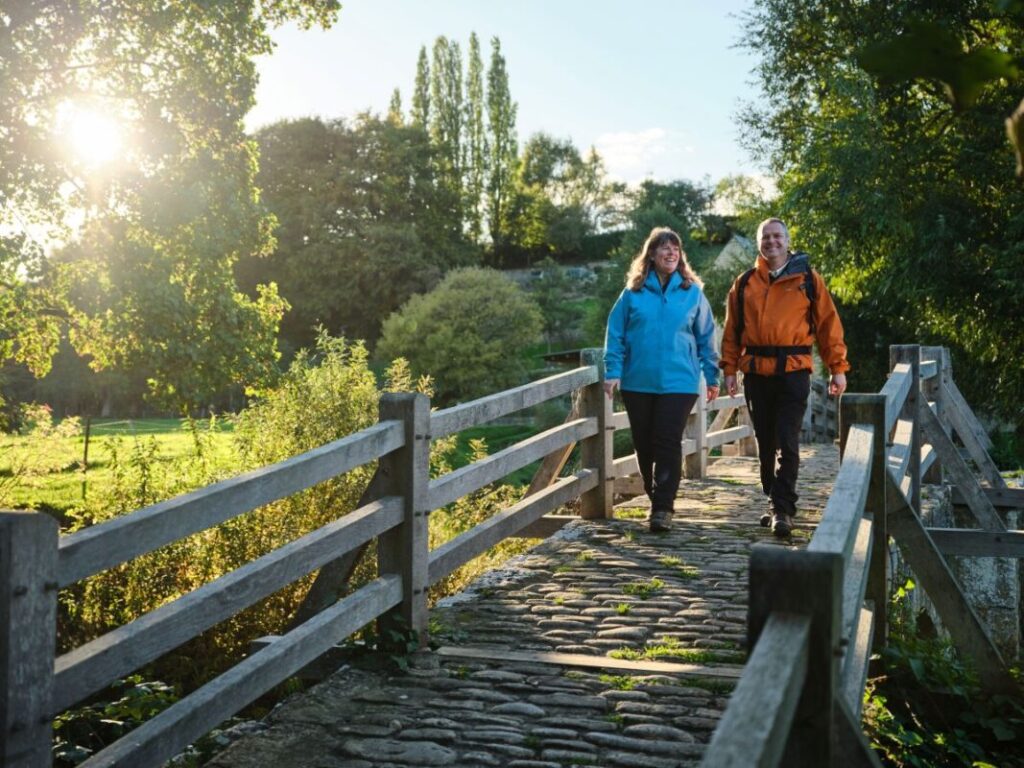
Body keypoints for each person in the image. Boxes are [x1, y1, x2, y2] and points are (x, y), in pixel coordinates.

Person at [720, 217, 849, 538]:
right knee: (765, 442)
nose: (772, 242)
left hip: (793, 371)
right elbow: (732, 330)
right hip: (756, 373)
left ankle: (783, 509)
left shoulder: (808, 279)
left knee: (787, 441)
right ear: (759, 241)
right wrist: (729, 370)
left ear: (788, 241)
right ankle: (773, 498)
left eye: (778, 236)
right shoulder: (745, 282)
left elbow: (828, 326)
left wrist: (837, 368)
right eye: (766, 237)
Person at [604, 227, 720, 533]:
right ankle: (656, 495)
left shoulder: (692, 292)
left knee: (667, 442)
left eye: (675, 249)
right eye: (664, 248)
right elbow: (615, 333)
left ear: (680, 256)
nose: (671, 253)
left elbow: (707, 336)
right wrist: (613, 370)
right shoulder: (632, 293)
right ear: (651, 255)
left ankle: (662, 508)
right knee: (644, 445)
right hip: (637, 382)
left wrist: (712, 374)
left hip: (679, 383)